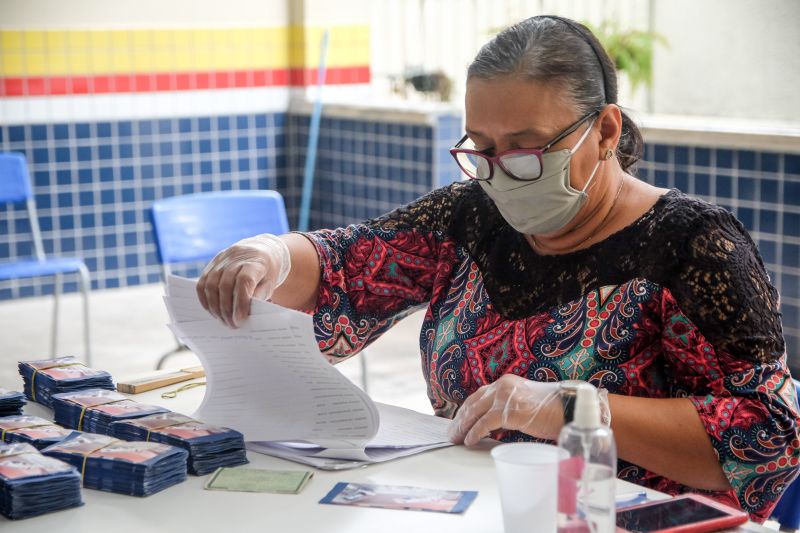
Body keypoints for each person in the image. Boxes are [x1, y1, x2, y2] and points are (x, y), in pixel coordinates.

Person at [196, 15, 799, 521]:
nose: (501, 172)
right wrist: (270, 256)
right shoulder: (473, 215)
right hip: (486, 511)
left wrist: (571, 408)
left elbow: (769, 432)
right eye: (481, 149)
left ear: (605, 131)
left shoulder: (695, 246)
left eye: (526, 149)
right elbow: (352, 263)